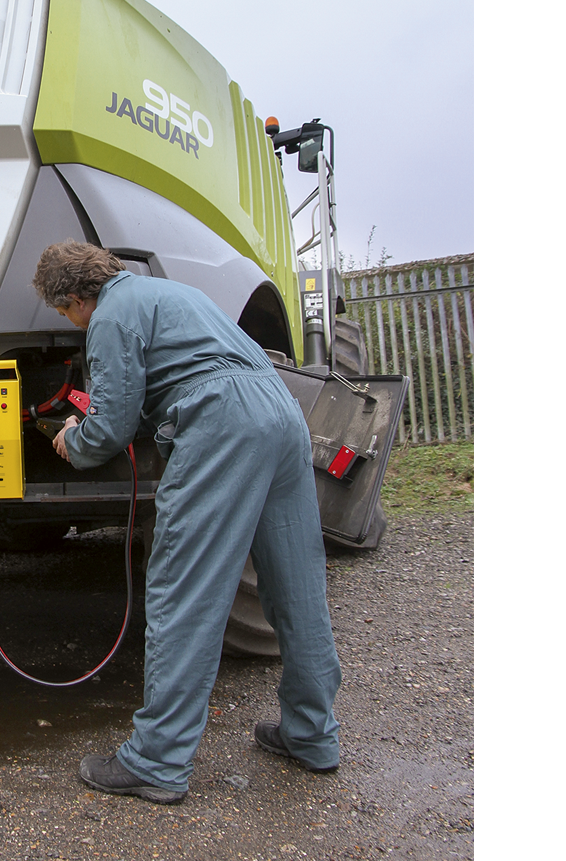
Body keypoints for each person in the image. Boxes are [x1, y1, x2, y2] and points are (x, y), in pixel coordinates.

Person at [31, 240, 342, 804]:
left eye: (64, 312)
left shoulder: (111, 316)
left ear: (77, 297)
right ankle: (312, 735)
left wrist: (72, 440)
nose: (72, 323)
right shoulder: (175, 293)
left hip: (222, 422)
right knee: (296, 588)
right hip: (281, 413)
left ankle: (157, 760)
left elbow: (110, 427)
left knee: (183, 588)